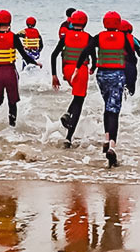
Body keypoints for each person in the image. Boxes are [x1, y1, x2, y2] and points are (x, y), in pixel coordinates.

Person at [76, 11, 135, 167]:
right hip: (117, 76)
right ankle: (112, 146)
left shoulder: (98, 37)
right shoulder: (123, 37)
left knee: (107, 107)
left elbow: (85, 51)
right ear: (118, 23)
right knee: (114, 111)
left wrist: (77, 69)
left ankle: (106, 137)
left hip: (102, 76)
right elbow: (133, 58)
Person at [0, 9, 39, 124]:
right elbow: (25, 56)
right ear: (10, 21)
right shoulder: (14, 38)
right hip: (10, 72)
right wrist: (36, 63)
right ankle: (12, 127)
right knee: (12, 102)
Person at [50, 10, 92, 147]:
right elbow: (95, 58)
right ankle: (68, 138)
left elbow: (54, 55)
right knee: (79, 102)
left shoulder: (65, 37)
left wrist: (54, 75)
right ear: (85, 23)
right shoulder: (88, 38)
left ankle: (68, 115)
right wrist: (94, 68)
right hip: (81, 71)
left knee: (76, 98)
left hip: (67, 71)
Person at [120, 20, 140, 96]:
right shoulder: (132, 38)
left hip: (116, 66)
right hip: (129, 65)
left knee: (119, 88)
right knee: (130, 88)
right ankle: (128, 106)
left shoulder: (115, 38)